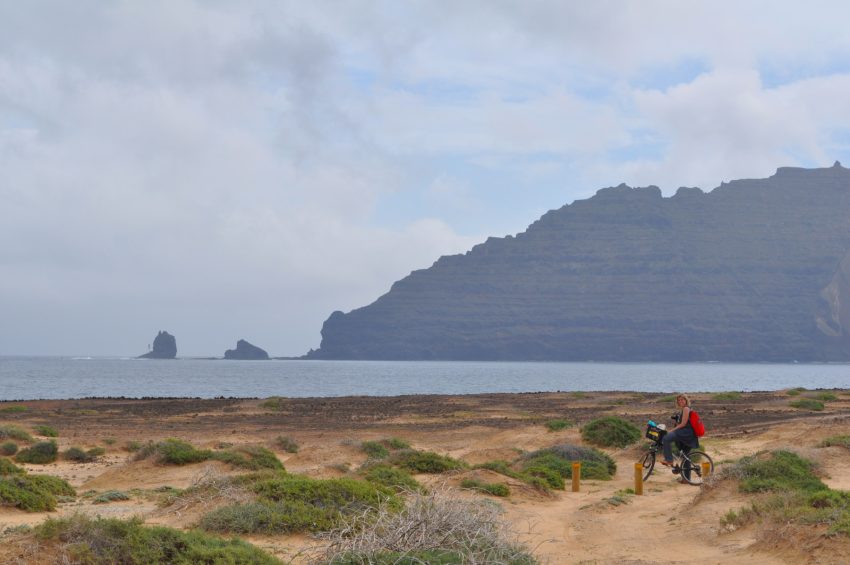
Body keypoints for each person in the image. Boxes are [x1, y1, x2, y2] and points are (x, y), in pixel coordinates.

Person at [661, 393, 698, 468]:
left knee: (666, 438)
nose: (680, 401)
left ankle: (669, 460)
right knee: (685, 456)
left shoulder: (686, 408)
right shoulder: (685, 409)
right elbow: (683, 422)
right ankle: (686, 479)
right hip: (689, 434)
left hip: (685, 432)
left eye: (682, 399)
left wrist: (672, 430)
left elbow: (683, 424)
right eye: (679, 400)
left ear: (686, 400)